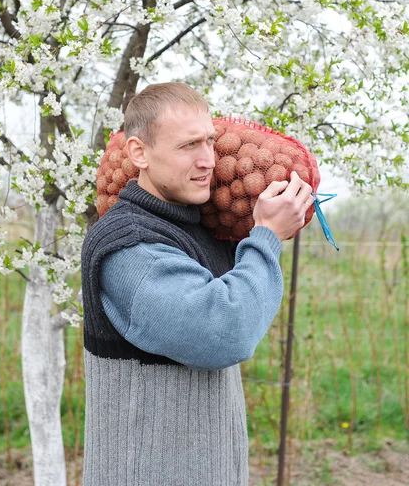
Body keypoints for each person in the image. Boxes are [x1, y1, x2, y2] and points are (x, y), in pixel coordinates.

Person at [81, 82, 313, 486]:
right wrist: (267, 236)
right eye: (189, 146)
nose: (208, 159)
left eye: (210, 141)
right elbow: (225, 331)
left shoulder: (197, 226)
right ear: (139, 154)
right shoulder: (128, 246)